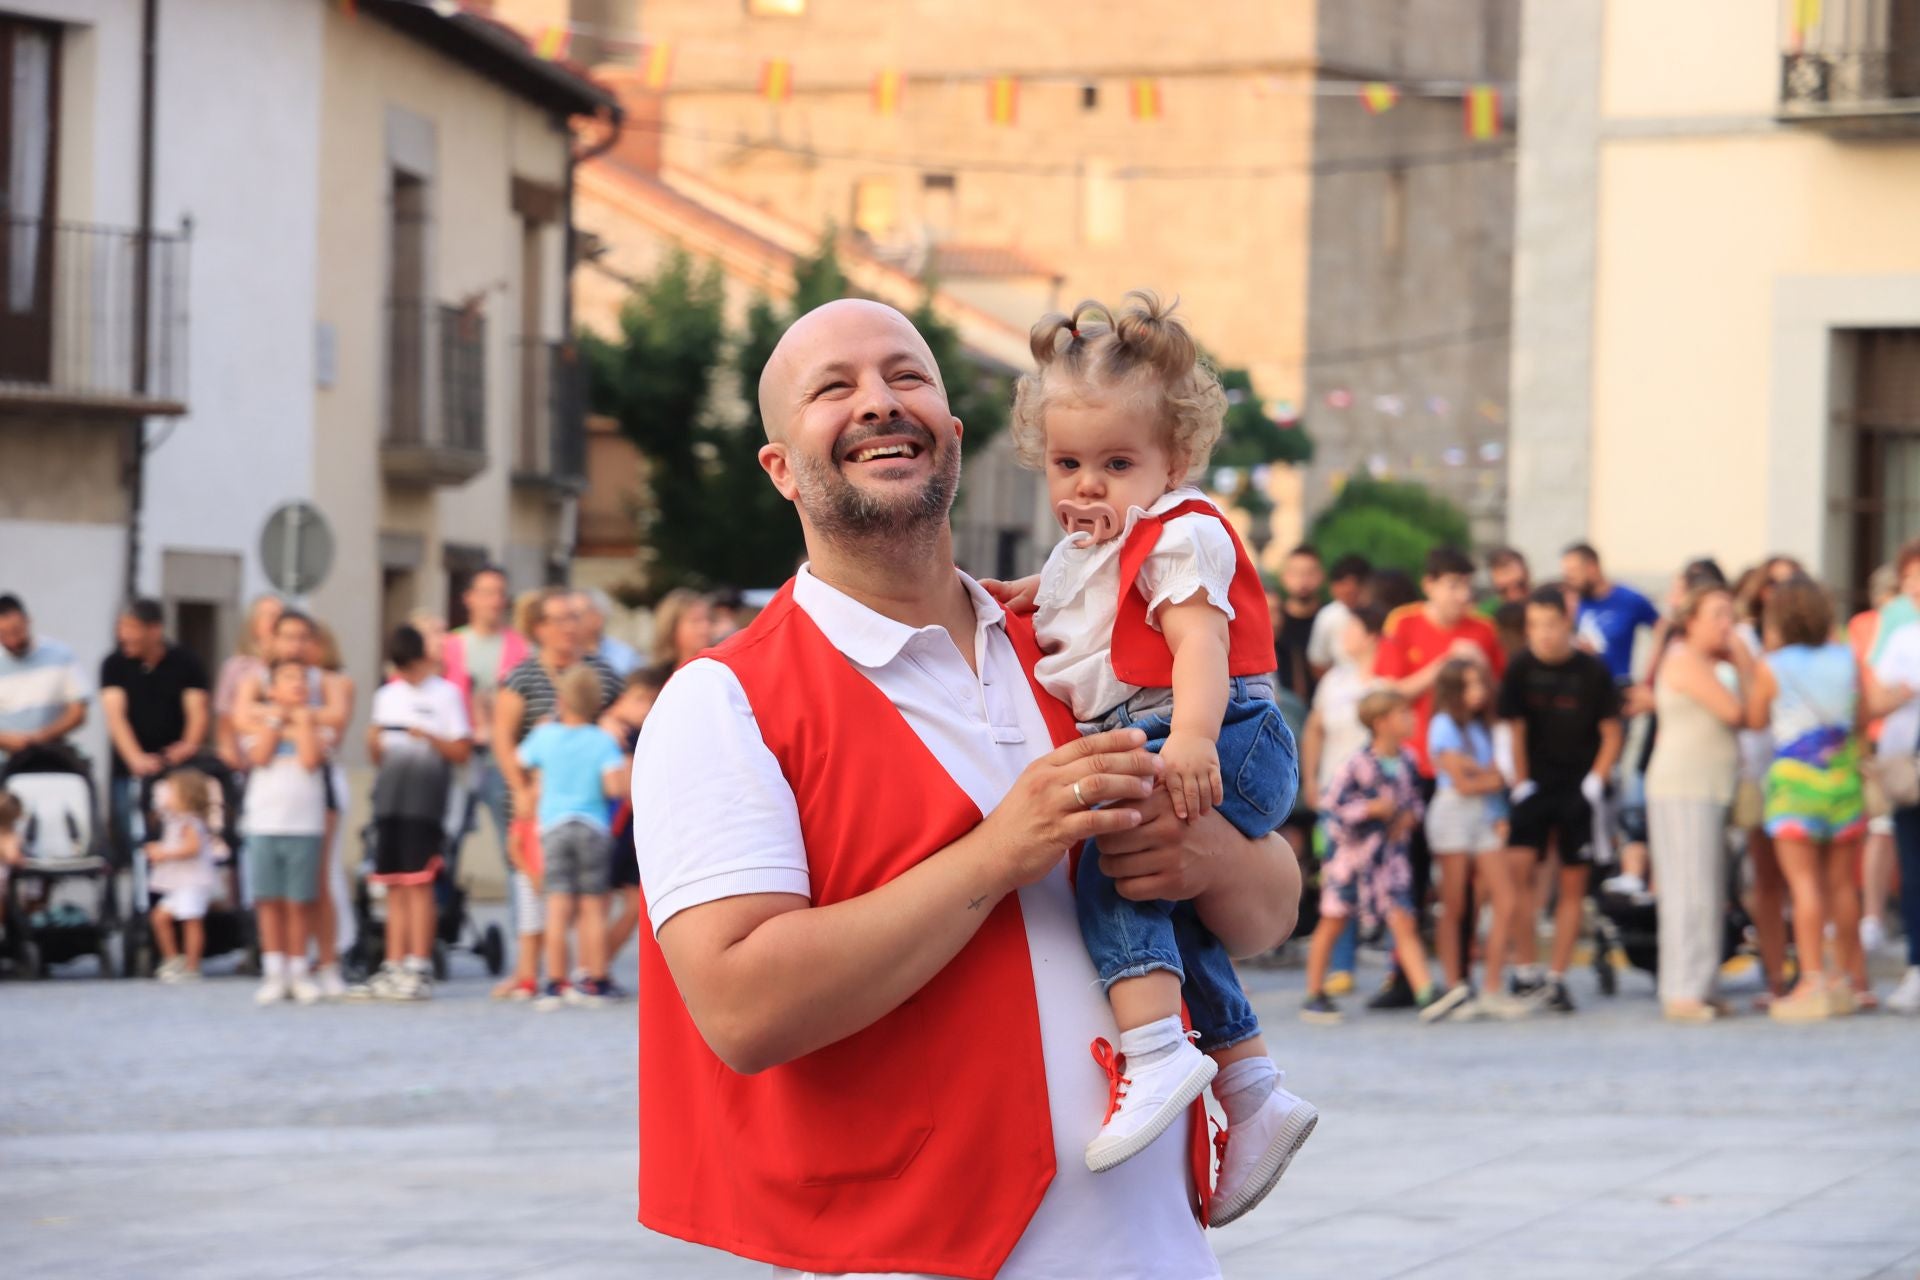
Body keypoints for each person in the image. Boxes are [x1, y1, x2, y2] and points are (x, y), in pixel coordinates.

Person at [632, 297, 1300, 1278]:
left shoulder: (1083, 652)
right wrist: (999, 851)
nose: (877, 403)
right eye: (834, 387)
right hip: (911, 1255)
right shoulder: (725, 700)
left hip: (1159, 1249)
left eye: (906, 376)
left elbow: (1270, 907)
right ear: (780, 467)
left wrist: (1203, 851)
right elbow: (740, 1007)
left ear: (952, 432)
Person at [976, 291, 1311, 1220]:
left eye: (1117, 464)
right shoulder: (1100, 539)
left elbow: (1200, 645)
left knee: (1114, 867)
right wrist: (1017, 595)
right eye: (1067, 464)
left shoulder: (1184, 533)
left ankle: (1158, 1050)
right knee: (1173, 912)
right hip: (1178, 726)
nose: (1087, 486)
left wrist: (1194, 741)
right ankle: (1251, 1087)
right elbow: (1074, 594)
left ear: (1176, 459)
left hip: (1224, 730)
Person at [1751, 577, 1909, 1021]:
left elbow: (1756, 717)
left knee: (1803, 886)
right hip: (1842, 781)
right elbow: (1862, 715)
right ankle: (1856, 981)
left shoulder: (1774, 664)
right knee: (1843, 886)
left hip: (1795, 784)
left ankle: (1812, 977)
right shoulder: (1846, 659)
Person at [1371, 547, 1504, 1008]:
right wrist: (1443, 665)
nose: (1461, 595)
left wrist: (1478, 668)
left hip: (1462, 771)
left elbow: (1493, 697)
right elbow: (1387, 692)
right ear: (1429, 585)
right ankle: (1403, 975)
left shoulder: (1483, 630)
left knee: (1463, 881)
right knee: (1408, 873)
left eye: (1467, 585)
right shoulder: (1403, 623)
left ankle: (1459, 974)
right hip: (1412, 767)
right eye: (1452, 584)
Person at [1498, 586, 1623, 1014]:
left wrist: (1596, 781)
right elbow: (1512, 728)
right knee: (1518, 878)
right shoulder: (1519, 668)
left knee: (1572, 884)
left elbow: (1612, 732)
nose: (1544, 634)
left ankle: (1558, 977)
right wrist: (1519, 781)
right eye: (1535, 625)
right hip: (1534, 786)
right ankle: (1526, 968)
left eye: (1551, 625)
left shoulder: (1592, 671)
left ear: (1567, 624)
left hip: (1577, 787)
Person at [493, 588, 620, 999]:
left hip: (589, 801)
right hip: (537, 801)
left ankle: (574, 972)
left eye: (574, 618)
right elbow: (502, 738)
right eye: (560, 619)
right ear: (539, 628)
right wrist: (520, 789)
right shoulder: (522, 676)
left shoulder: (601, 672)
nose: (570, 627)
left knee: (573, 896)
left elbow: (624, 719)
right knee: (534, 890)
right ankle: (530, 970)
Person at [1643, 585, 1751, 1021]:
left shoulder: (1703, 661)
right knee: (1688, 890)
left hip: (1707, 786)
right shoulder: (1684, 657)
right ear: (1692, 621)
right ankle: (1682, 989)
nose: (1727, 625)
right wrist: (1743, 661)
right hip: (1683, 787)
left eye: (1730, 615)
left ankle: (1704, 983)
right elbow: (1733, 712)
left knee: (1708, 890)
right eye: (1718, 615)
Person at [1301, 689, 1441, 1023]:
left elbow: (1415, 802)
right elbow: (1332, 807)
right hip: (1350, 862)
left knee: (1403, 920)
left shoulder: (1407, 760)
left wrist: (1409, 816)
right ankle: (1314, 993)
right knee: (1333, 921)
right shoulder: (1355, 764)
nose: (1411, 719)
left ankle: (1425, 991)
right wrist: (1370, 808)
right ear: (1381, 723)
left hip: (1391, 862)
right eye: (1403, 713)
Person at [234, 609, 352, 998]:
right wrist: (281, 717)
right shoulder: (256, 679)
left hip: (318, 785)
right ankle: (281, 965)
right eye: (288, 637)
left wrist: (285, 715)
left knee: (318, 877)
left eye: (303, 637)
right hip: (275, 791)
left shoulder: (331, 681)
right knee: (276, 888)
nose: (295, 645)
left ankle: (328, 961)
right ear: (273, 640)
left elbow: (335, 718)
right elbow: (240, 719)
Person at [356, 625, 472, 1002]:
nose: (407, 675)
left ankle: (419, 964)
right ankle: (393, 963)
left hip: (426, 801)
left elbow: (461, 751)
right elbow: (377, 756)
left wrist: (430, 738)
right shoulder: (386, 696)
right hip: (389, 799)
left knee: (418, 881)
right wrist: (373, 743)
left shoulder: (446, 695)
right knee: (392, 882)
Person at [518, 666, 627, 1009]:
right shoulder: (602, 740)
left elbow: (522, 761)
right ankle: (594, 979)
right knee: (594, 907)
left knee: (557, 906)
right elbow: (613, 787)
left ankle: (554, 982)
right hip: (593, 826)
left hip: (554, 827)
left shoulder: (545, 736)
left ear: (561, 699)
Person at [1299, 603, 1388, 995]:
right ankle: (1341, 965)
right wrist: (1313, 778)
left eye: (1350, 628)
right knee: (1338, 879)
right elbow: (1315, 729)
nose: (1341, 636)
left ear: (1370, 634)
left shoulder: (1386, 678)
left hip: (1379, 794)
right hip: (1338, 797)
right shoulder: (1333, 679)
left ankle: (1396, 966)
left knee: (1387, 880)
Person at [1425, 658, 1522, 1017]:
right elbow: (1463, 783)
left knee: (1506, 898)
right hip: (1453, 812)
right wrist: (1489, 778)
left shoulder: (1480, 728)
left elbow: (1479, 778)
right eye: (1470, 685)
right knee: (1455, 904)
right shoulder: (1443, 724)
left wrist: (1484, 780)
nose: (1479, 692)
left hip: (1483, 813)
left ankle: (1492, 987)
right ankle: (1455, 986)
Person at [1732, 556, 1805, 1005]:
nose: (1779, 591)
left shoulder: (1815, 642)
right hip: (1758, 767)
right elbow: (1752, 707)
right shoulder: (1743, 638)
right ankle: (1775, 977)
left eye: (1791, 584)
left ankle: (1812, 971)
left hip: (1803, 772)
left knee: (1806, 881)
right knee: (1767, 880)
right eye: (1772, 583)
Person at [442, 566, 530, 933]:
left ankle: (521, 935)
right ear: (469, 598)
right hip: (459, 760)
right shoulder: (450, 646)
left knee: (515, 849)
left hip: (503, 762)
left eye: (501, 593)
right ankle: (440, 929)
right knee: (446, 847)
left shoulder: (521, 648)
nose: (496, 601)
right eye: (488, 592)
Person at [242, 659, 329, 1006]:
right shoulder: (259, 720)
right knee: (269, 901)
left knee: (298, 902)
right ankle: (274, 971)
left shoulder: (318, 724)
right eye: (289, 678)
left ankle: (298, 971)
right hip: (265, 823)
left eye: (303, 679)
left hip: (304, 824)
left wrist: (303, 722)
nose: (297, 684)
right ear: (271, 690)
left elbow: (310, 759)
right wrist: (278, 720)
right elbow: (260, 754)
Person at [100, 600, 209, 860]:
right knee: (134, 842)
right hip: (130, 772)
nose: (124, 635)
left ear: (155, 630)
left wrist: (188, 745)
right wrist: (136, 758)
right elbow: (115, 716)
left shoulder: (187, 662)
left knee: (177, 837)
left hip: (177, 772)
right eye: (121, 627)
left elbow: (198, 710)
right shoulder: (114, 664)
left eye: (131, 627)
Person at [1872, 539, 1920, 1014]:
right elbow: (1877, 697)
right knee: (1912, 864)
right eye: (1909, 578)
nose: (1914, 586)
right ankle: (1916, 965)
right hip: (1909, 764)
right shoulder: (1903, 638)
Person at [599, 663, 669, 978]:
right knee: (603, 902)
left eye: (652, 701)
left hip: (624, 829)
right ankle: (593, 967)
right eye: (641, 699)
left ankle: (596, 965)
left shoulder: (628, 729)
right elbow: (627, 787)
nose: (648, 708)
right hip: (614, 827)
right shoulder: (618, 733)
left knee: (630, 903)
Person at [1852, 564, 1900, 957]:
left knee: (1881, 830)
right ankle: (1872, 917)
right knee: (1882, 828)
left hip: (1881, 739)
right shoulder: (1875, 625)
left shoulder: (1866, 624)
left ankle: (1872, 918)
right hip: (1886, 740)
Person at [145, 770, 218, 983]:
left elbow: (192, 848)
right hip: (178, 883)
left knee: (191, 920)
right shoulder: (173, 821)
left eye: (170, 793)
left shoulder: (190, 823)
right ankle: (173, 958)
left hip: (192, 882)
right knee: (160, 917)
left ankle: (192, 965)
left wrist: (164, 853)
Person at [0, 594, 89, 766]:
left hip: (52, 758)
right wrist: (6, 740)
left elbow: (78, 712)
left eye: (16, 631)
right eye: (3, 634)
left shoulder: (60, 655)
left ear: (28, 621)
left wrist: (41, 737)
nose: (12, 640)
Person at [1562, 543, 1660, 687]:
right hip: (1578, 687)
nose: (1569, 578)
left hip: (1616, 687)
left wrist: (1650, 676)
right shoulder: (1570, 601)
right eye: (1566, 573)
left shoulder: (1628, 599)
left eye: (1573, 571)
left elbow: (1664, 629)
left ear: (1592, 567)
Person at [213, 595, 283, 772]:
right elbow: (225, 713)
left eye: (280, 615)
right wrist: (228, 749)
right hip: (244, 757)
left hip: (280, 756)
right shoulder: (237, 666)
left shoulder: (291, 666)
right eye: (269, 615)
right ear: (254, 623)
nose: (276, 621)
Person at [1274, 544, 1325, 704]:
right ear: (1284, 577)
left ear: (1321, 576)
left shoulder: (1329, 619)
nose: (1303, 580)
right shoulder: (1275, 621)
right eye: (1295, 573)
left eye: (1309, 573)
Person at [1307, 554, 1370, 681]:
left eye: (1355, 584)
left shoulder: (1377, 613)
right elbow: (1318, 662)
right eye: (1343, 584)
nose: (1349, 589)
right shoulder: (1328, 616)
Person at [576, 588, 640, 678]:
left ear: (598, 618)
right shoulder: (563, 656)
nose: (570, 622)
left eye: (577, 615)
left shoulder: (625, 657)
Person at [647, 587, 714, 672]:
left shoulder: (718, 672)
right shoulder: (650, 681)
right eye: (696, 620)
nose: (706, 627)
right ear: (672, 627)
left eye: (709, 619)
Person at [1484, 547, 1532, 613]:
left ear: (1527, 575)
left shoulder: (1546, 604)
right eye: (1504, 590)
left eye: (1519, 585)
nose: (1513, 595)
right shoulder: (1485, 615)